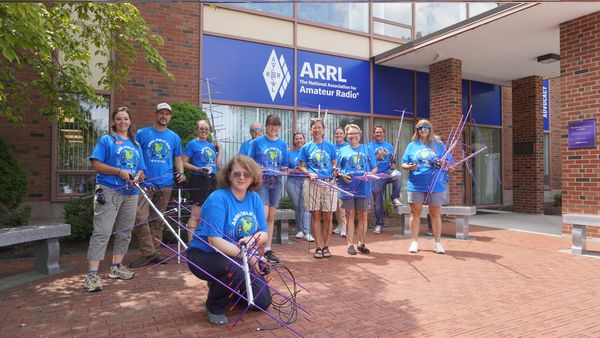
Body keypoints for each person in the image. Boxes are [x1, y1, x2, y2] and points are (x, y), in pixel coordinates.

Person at [186, 155, 272, 325]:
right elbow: (215, 241)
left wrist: (253, 239)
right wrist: (250, 257)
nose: (241, 178)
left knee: (262, 302)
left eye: (246, 174)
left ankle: (229, 290)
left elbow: (264, 232)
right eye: (236, 174)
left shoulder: (254, 198)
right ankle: (215, 307)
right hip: (205, 255)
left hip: (237, 254)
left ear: (253, 176)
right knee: (236, 268)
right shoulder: (218, 199)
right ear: (229, 176)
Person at [83, 106, 145, 292]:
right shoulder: (107, 140)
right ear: (114, 121)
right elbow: (96, 164)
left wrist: (137, 175)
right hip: (109, 189)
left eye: (126, 119)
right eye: (119, 119)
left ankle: (116, 267)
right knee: (102, 231)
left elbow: (141, 167)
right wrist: (119, 171)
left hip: (131, 192)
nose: (123, 122)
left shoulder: (136, 144)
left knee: (125, 231)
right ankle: (92, 274)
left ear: (130, 121)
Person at [130, 102, 186, 268]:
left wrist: (181, 172)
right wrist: (139, 172)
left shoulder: (174, 137)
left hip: (166, 183)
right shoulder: (143, 133)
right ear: (156, 115)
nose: (164, 116)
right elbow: (135, 154)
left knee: (159, 220)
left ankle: (153, 252)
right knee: (140, 217)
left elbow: (177, 158)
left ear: (170, 117)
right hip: (145, 183)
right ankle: (149, 252)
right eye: (161, 113)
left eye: (167, 114)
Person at [401, 119, 454, 254]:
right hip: (416, 184)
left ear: (430, 129)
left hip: (435, 184)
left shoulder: (439, 145)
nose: (423, 130)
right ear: (417, 131)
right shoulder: (412, 145)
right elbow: (403, 164)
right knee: (415, 213)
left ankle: (437, 243)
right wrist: (410, 166)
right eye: (420, 128)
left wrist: (445, 164)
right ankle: (414, 242)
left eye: (426, 127)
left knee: (435, 213)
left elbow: (451, 166)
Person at [248, 114, 288, 263]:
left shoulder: (282, 144)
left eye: (277, 125)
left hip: (276, 182)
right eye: (271, 124)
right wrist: (256, 168)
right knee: (262, 216)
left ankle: (268, 249)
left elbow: (284, 164)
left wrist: (285, 168)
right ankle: (254, 248)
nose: (274, 127)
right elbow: (249, 162)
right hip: (262, 182)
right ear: (266, 126)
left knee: (271, 216)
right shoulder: (257, 142)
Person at [298, 119, 338, 259]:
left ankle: (326, 246)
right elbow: (301, 165)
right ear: (311, 130)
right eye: (314, 128)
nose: (317, 130)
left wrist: (334, 170)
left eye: (319, 127)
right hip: (312, 183)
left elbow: (334, 163)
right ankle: (318, 246)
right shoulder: (306, 147)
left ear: (323, 129)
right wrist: (309, 173)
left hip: (328, 183)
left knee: (328, 215)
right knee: (315, 214)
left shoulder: (330, 146)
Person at [337, 124, 377, 255]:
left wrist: (370, 173)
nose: (353, 136)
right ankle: (350, 244)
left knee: (363, 215)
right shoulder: (342, 150)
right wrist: (342, 175)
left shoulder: (367, 149)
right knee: (349, 215)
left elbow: (374, 168)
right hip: (347, 187)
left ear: (360, 135)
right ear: (346, 136)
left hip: (364, 186)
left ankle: (361, 242)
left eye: (355, 133)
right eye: (350, 134)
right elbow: (337, 170)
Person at [183, 120, 222, 243]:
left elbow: (218, 165)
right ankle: (191, 245)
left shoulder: (211, 145)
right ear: (197, 130)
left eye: (206, 129)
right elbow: (183, 162)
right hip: (199, 179)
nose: (204, 131)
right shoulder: (192, 144)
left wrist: (219, 150)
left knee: (208, 213)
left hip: (211, 179)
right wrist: (198, 169)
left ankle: (202, 243)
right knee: (196, 213)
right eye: (201, 129)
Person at [368, 126, 403, 234]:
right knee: (379, 201)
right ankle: (379, 223)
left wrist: (393, 164)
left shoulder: (389, 146)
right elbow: (367, 162)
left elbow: (392, 162)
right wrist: (377, 157)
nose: (378, 134)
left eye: (380, 132)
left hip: (387, 173)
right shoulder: (369, 146)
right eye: (376, 132)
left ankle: (395, 197)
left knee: (397, 174)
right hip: (376, 176)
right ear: (373, 134)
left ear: (384, 133)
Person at [286, 132, 313, 242]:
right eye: (296, 139)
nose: (299, 140)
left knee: (305, 206)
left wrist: (305, 170)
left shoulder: (309, 152)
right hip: (293, 181)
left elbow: (313, 168)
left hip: (306, 180)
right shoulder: (289, 153)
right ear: (294, 141)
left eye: (301, 138)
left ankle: (307, 232)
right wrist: (292, 170)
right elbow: (284, 168)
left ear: (304, 139)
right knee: (297, 206)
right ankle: (300, 230)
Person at [333, 127, 348, 238]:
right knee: (335, 204)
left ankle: (344, 227)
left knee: (341, 204)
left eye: (340, 133)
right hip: (333, 177)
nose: (338, 135)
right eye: (337, 133)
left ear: (344, 135)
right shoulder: (332, 147)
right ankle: (339, 224)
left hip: (343, 178)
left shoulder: (347, 146)